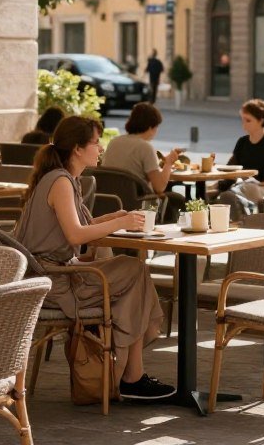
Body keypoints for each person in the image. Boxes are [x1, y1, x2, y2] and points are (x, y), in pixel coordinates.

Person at [15, 115, 175, 400]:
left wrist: (114, 217)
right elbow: (76, 235)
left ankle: (130, 375)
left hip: (52, 273)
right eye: (96, 142)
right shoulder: (61, 181)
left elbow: (80, 227)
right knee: (134, 272)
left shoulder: (65, 179)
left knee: (133, 277)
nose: (101, 148)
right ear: (77, 148)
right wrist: (121, 223)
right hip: (53, 281)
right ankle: (131, 377)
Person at [101, 102, 186, 222]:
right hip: (137, 204)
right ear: (151, 127)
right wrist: (169, 163)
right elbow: (159, 187)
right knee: (177, 199)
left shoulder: (114, 142)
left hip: (111, 202)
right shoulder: (145, 147)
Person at [216, 99, 264, 214]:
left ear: (261, 120)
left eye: (248, 120)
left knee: (245, 189)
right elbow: (231, 168)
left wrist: (249, 181)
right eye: (243, 120)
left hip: (261, 190)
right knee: (213, 190)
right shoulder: (242, 142)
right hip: (241, 186)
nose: (244, 124)